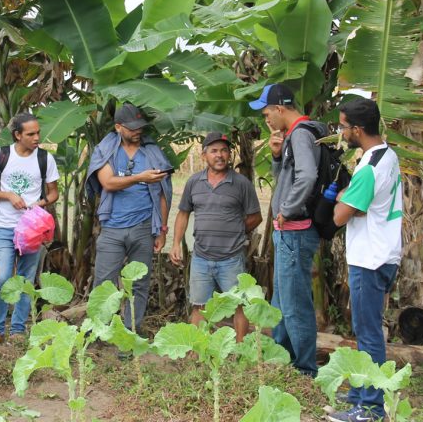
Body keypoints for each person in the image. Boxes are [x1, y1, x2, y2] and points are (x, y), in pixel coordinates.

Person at [327, 98, 403, 422]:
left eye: (344, 127)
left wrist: (342, 199)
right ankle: (361, 391)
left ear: (357, 129)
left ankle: (370, 407)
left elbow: (339, 217)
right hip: (384, 252)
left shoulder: (369, 168)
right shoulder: (388, 155)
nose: (342, 132)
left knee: (369, 332)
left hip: (369, 259)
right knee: (365, 327)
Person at [249, 84, 324, 376]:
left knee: (294, 306)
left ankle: (304, 370)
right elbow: (289, 177)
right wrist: (278, 157)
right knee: (281, 303)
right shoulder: (293, 137)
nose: (267, 120)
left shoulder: (302, 134)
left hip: (295, 231)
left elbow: (307, 177)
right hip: (289, 231)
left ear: (280, 109)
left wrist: (286, 210)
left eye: (267, 113)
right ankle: (285, 362)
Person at [87, 103, 172, 333]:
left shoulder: (152, 152)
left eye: (140, 127)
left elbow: (163, 193)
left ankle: (130, 332)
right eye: (132, 128)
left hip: (144, 228)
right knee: (104, 284)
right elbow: (108, 182)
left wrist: (162, 231)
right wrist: (139, 177)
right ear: (118, 127)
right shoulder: (106, 150)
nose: (137, 131)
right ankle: (98, 332)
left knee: (139, 284)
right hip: (112, 228)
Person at [169, 132, 262, 341]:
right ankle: (197, 350)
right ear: (204, 155)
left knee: (239, 304)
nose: (219, 155)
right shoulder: (194, 182)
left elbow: (256, 217)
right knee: (199, 305)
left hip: (232, 258)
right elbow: (183, 213)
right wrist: (175, 243)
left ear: (229, 155)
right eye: (214, 151)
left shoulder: (241, 184)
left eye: (223, 150)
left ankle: (240, 351)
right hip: (201, 257)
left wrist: (236, 230)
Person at [0, 113, 59, 346]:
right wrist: (8, 195)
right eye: (31, 134)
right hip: (4, 226)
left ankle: (17, 329)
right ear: (17, 135)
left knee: (25, 279)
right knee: (2, 277)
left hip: (32, 230)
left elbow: (54, 192)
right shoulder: (0, 155)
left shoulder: (45, 158)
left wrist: (41, 203)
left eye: (38, 133)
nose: (37, 138)